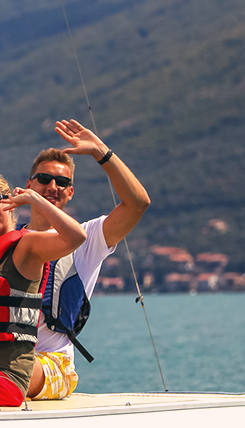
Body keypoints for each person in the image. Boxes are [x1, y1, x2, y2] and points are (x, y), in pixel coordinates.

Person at [24, 119, 150, 400]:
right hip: (6, 358)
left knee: (12, 370)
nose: (52, 186)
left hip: (53, 365)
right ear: (29, 185)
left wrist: (100, 152)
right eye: (44, 179)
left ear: (70, 192)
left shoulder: (87, 239)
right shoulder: (8, 241)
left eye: (62, 182)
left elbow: (137, 204)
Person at [0, 172, 87, 406]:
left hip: (8, 375)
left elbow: (76, 237)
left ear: (9, 203)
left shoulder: (27, 246)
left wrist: (35, 200)